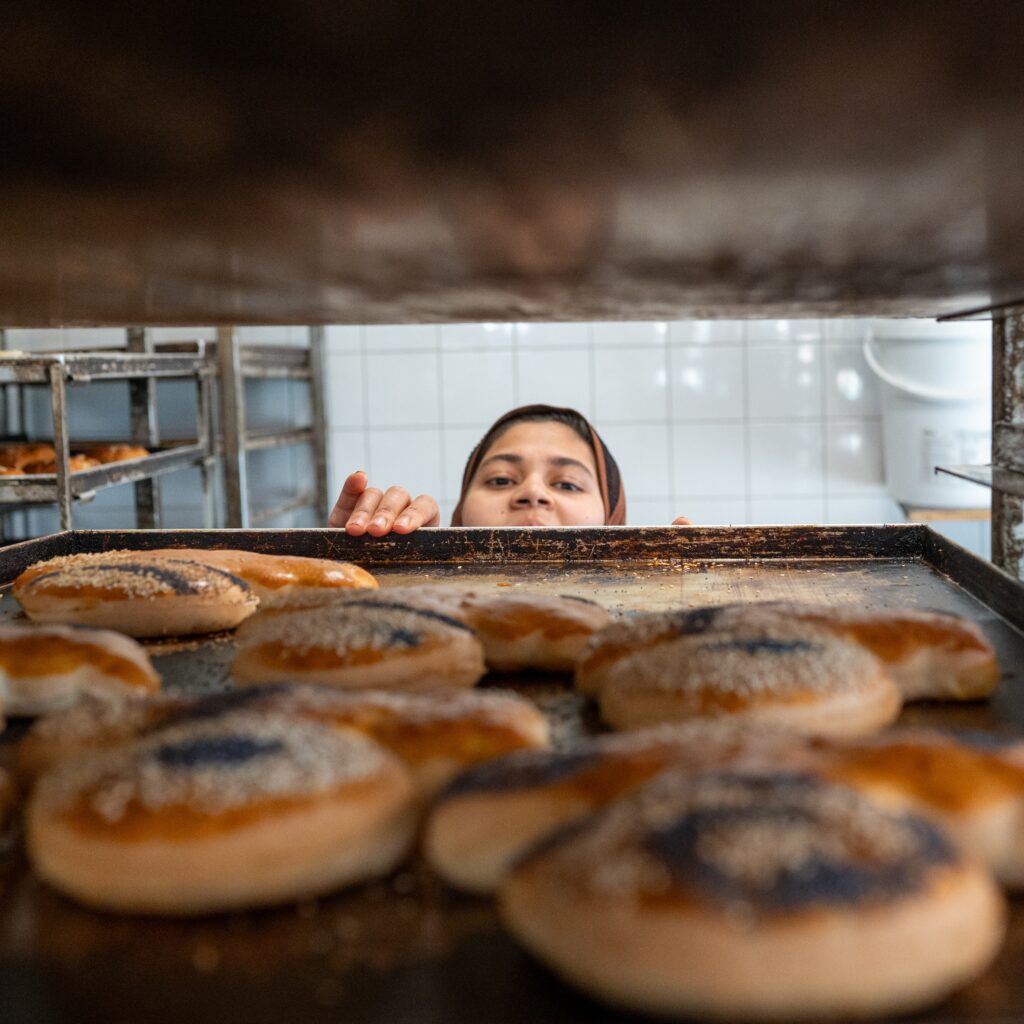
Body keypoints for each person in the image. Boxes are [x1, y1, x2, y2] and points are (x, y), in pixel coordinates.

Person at [328, 404, 690, 534]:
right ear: (461, 513)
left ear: (612, 518)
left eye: (567, 485)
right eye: (500, 479)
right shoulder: (405, 605)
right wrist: (365, 569)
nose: (533, 492)